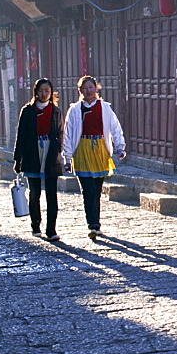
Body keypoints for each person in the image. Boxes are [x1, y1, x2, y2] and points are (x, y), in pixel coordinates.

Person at [61, 75, 126, 240]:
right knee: (87, 190)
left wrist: (120, 147)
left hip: (99, 150)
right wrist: (67, 157)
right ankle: (92, 225)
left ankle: (96, 223)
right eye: (84, 88)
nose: (88, 91)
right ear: (80, 90)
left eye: (91, 87)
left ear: (96, 88)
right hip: (82, 149)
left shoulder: (104, 108)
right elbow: (68, 134)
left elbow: (115, 128)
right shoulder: (75, 110)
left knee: (96, 190)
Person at [13, 78, 64, 242]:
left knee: (52, 194)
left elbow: (61, 133)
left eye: (47, 91)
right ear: (35, 92)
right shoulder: (27, 111)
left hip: (50, 153)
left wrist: (60, 151)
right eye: (41, 91)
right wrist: (17, 159)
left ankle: (51, 229)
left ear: (51, 93)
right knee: (34, 193)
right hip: (32, 152)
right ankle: (36, 225)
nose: (44, 94)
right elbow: (21, 135)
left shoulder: (55, 112)